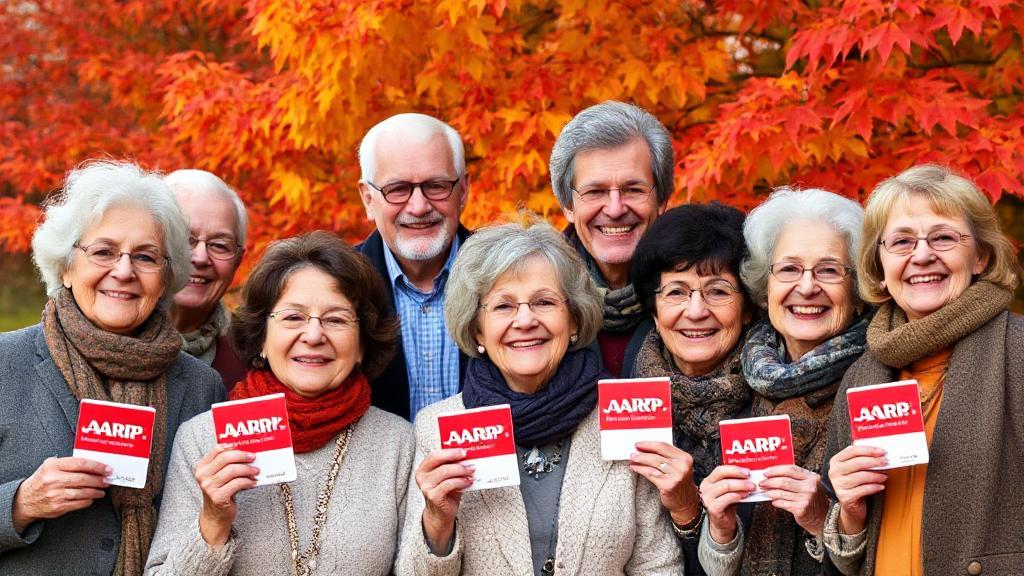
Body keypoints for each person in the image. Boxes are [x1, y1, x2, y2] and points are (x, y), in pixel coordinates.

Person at [398, 215, 683, 576]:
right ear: (477, 330)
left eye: (544, 302)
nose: (525, 320)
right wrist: (437, 523)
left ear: (575, 320)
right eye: (503, 306)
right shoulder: (436, 429)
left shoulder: (624, 415)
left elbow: (659, 565)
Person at [0, 160, 225, 575]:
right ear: (65, 266)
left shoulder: (199, 386)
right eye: (103, 251)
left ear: (166, 277)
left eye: (145, 257)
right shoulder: (5, 364)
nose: (123, 272)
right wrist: (21, 502)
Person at [146, 231, 414, 575]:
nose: (314, 335)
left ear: (362, 344)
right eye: (293, 317)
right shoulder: (202, 439)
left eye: (335, 319)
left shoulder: (398, 443)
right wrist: (212, 523)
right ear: (261, 337)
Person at [821, 165, 1023, 575]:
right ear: (879, 263)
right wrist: (849, 515)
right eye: (901, 242)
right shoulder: (861, 376)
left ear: (981, 256)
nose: (922, 255)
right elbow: (843, 561)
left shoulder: (1018, 353)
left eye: (944, 237)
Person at [698, 188, 869, 576]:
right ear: (764, 288)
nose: (807, 287)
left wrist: (824, 518)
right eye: (789, 269)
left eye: (828, 269)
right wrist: (721, 530)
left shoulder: (879, 383)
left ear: (858, 293)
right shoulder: (733, 386)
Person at [627, 203, 753, 575]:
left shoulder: (777, 401)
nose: (696, 311)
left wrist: (688, 511)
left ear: (747, 308)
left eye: (717, 291)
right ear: (654, 309)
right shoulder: (621, 397)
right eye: (677, 292)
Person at [357, 113, 471, 420]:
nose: (419, 207)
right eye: (397, 189)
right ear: (368, 199)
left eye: (436, 185)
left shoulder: (508, 276)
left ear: (462, 191)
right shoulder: (339, 286)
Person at [549, 100, 673, 376]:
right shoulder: (537, 295)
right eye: (595, 192)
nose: (615, 209)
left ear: (662, 199)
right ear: (568, 205)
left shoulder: (697, 292)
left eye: (633, 189)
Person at [165, 169, 249, 390]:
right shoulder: (97, 340)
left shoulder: (253, 358)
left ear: (239, 260)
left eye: (220, 245)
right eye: (185, 240)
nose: (200, 257)